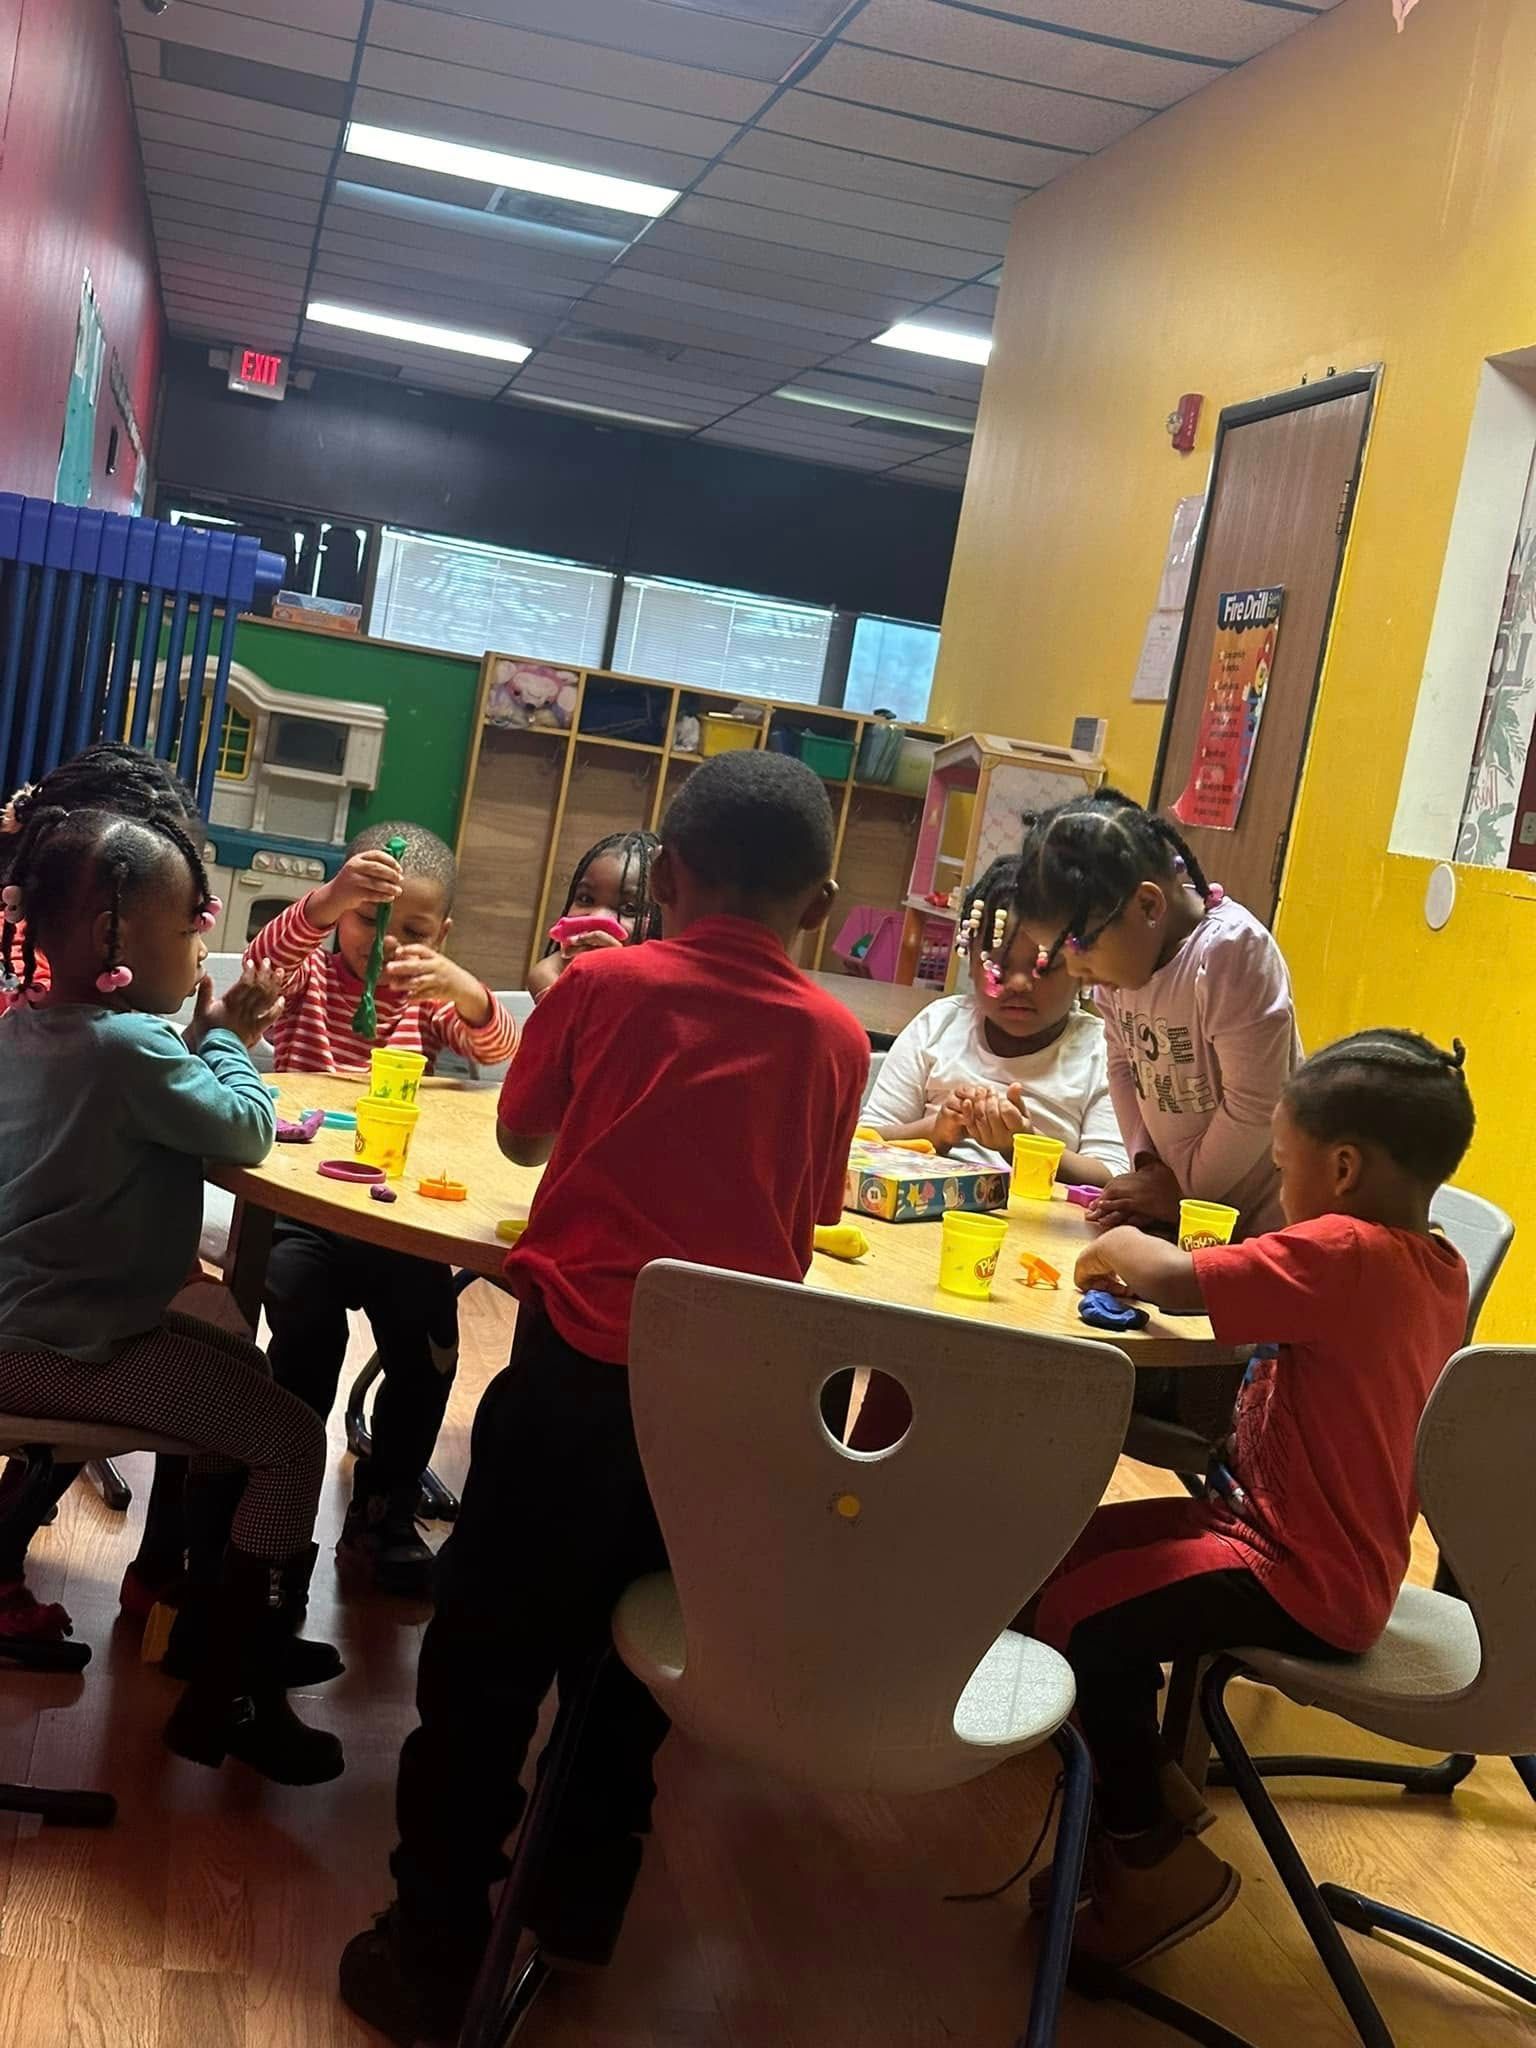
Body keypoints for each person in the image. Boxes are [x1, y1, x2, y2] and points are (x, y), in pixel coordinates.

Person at [337, 750, 870, 2046]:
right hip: (724, 1425)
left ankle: (431, 1945)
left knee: (482, 1669)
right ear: (821, 899)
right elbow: (813, 1211)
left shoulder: (605, 985)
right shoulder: (840, 1038)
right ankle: (576, 1910)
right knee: (631, 1669)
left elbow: (521, 1138)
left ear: (668, 873)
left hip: (571, 1390)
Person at [1027, 1029, 1472, 1968]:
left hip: (1294, 1572)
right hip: (1297, 1543)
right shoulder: (1434, 1266)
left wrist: (1114, 1245)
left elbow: (1177, 1280)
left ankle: (1148, 1865)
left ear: (1341, 1169)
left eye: (1282, 1165)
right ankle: (1145, 1790)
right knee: (1063, 1557)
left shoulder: (1344, 1251)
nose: (1280, 1189)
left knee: (1076, 1614)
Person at [0, 802, 342, 1784]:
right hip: (74, 1345)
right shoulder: (127, 1047)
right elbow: (243, 1128)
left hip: (34, 1322)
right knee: (287, 1437)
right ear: (116, 936)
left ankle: (219, 1627)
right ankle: (234, 1693)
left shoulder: (34, 1028)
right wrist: (228, 1033)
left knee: (244, 1366)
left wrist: (195, 1031)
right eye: (192, 917)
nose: (206, 939)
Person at [245, 820, 520, 1596]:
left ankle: (384, 1511)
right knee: (305, 1342)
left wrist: (462, 988)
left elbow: (498, 1050)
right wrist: (326, 905)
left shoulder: (425, 998)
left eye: (414, 930)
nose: (385, 942)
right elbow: (265, 967)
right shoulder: (311, 975)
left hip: (399, 1210)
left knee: (430, 1353)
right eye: (369, 918)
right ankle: (280, 1518)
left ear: (441, 935)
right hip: (308, 1203)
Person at [0, 744, 215, 1635]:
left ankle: (164, 1576)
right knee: (173, 1315)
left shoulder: (39, 970)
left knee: (188, 1308)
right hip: (46, 1297)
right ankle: (173, 1588)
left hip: (31, 1269)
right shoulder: (67, 1010)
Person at [1013, 789, 1300, 1238]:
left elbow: (1257, 1104)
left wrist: (1182, 1190)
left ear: (1148, 906)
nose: (1077, 974)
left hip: (1256, 1226)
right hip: (1177, 1210)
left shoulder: (1229, 953)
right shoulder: (1123, 971)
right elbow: (1123, 1066)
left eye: (1081, 950)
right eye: (1060, 956)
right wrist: (1146, 1165)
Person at [864, 854, 1128, 1184]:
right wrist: (936, 1132)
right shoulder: (938, 1027)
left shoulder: (1101, 1052)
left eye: (1044, 966)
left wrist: (1025, 1146)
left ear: (1082, 969)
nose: (1019, 984)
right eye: (998, 965)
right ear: (970, 959)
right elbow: (866, 1141)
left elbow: (1112, 1174)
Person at [527, 829, 661, 1002]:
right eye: (586, 899)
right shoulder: (552, 974)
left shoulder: (664, 988)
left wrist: (621, 972)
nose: (599, 917)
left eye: (628, 908)